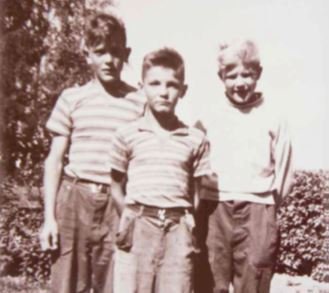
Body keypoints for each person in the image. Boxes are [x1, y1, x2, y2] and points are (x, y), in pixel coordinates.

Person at [39, 10, 145, 293]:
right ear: (88, 55)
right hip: (75, 199)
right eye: (100, 52)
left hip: (117, 201)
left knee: (115, 281)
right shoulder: (72, 98)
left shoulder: (139, 102)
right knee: (67, 283)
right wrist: (49, 217)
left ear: (126, 53)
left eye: (115, 52)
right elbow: (55, 161)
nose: (109, 60)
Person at [109, 48, 212, 293]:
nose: (163, 92)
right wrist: (134, 218)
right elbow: (115, 186)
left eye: (172, 85)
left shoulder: (195, 139)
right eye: (155, 83)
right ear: (142, 86)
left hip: (178, 228)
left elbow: (198, 194)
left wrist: (185, 222)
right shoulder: (126, 134)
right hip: (138, 225)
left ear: (183, 90)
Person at [194, 39, 293, 293]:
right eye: (232, 76)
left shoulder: (274, 115)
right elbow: (193, 165)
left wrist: (267, 209)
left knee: (254, 280)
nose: (240, 83)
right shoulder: (207, 117)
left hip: (259, 209)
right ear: (221, 77)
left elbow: (284, 169)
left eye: (247, 75)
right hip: (215, 207)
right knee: (209, 280)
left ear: (258, 74)